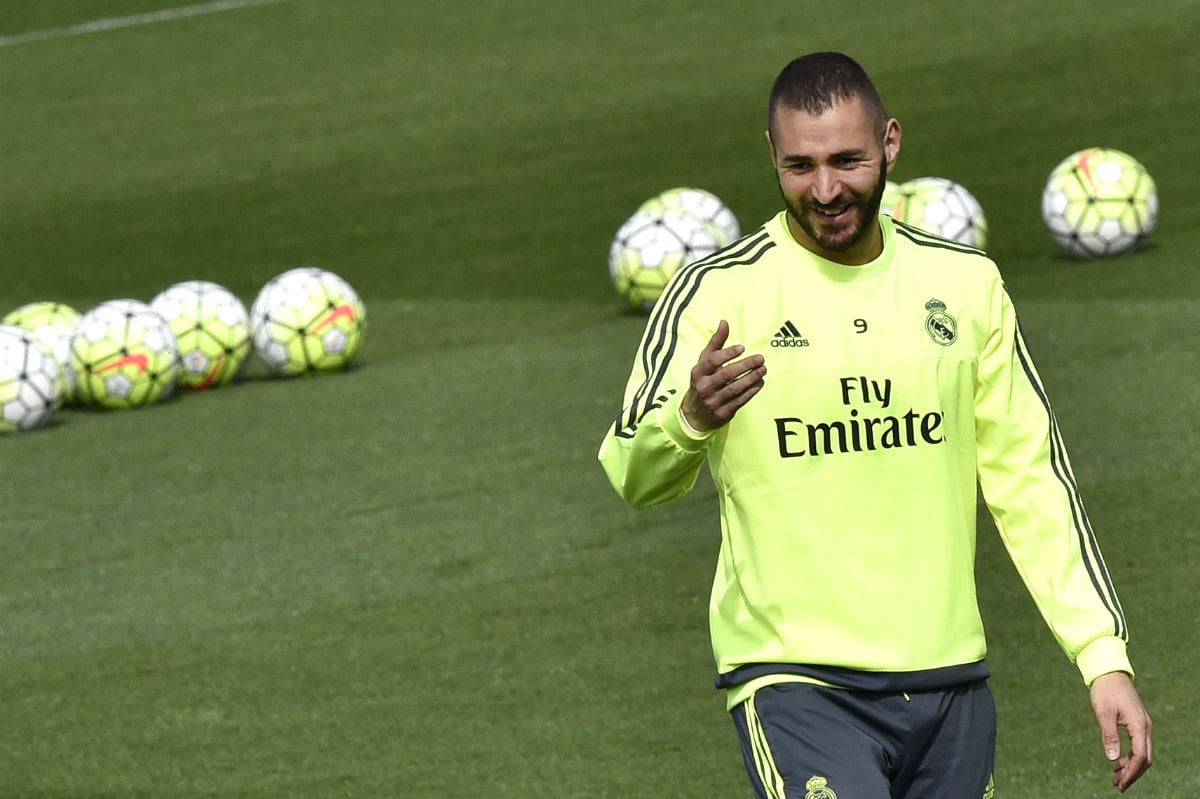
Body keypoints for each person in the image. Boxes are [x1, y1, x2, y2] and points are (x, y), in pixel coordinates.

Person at [597, 51, 1152, 797]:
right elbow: (631, 470)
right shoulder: (717, 295)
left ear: (890, 144)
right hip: (796, 681)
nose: (824, 190)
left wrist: (1100, 653)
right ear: (771, 155)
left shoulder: (964, 287)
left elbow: (1032, 480)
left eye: (846, 160)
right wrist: (689, 418)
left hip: (951, 681)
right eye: (799, 166)